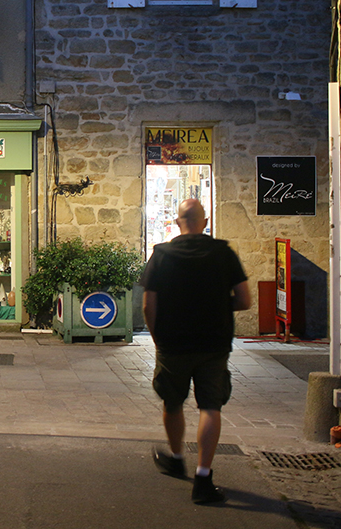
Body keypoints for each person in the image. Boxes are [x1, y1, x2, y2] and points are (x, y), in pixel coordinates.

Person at [141, 198, 251, 504]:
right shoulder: (223, 253)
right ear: (205, 222)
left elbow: (149, 304)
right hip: (214, 344)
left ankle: (177, 457)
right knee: (210, 407)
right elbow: (244, 300)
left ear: (178, 223)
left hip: (173, 343)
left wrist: (157, 337)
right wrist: (216, 304)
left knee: (172, 401)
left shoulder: (161, 255)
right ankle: (203, 478)